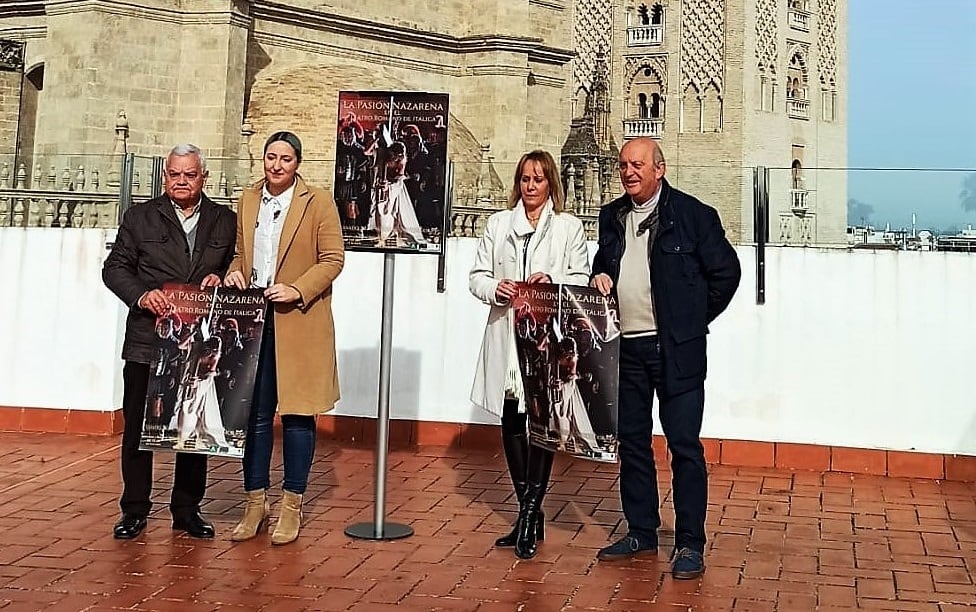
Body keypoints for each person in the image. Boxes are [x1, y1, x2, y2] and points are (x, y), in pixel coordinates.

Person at [590, 137, 740, 579]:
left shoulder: (694, 216)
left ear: (660, 168)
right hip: (627, 349)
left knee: (683, 447)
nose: (629, 172)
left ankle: (691, 543)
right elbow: (606, 258)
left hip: (676, 351)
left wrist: (688, 321)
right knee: (633, 444)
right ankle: (642, 531)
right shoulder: (611, 216)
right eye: (623, 165)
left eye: (637, 164)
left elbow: (726, 275)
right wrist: (600, 271)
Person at [102, 144, 237, 540]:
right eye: (174, 174)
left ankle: (187, 509)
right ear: (165, 176)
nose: (181, 181)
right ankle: (134, 509)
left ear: (203, 177)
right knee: (138, 431)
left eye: (189, 174)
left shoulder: (224, 221)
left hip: (199, 343)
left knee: (191, 428)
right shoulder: (140, 217)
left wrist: (224, 276)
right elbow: (115, 268)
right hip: (149, 341)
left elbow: (237, 264)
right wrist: (143, 295)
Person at [224, 131, 345, 546]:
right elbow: (241, 252)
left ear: (298, 164)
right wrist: (234, 271)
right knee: (255, 415)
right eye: (271, 157)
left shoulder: (318, 202)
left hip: (299, 319)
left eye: (286, 159)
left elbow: (333, 259)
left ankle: (292, 502)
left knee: (296, 415)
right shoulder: (248, 199)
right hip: (254, 319)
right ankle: (255, 502)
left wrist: (298, 288)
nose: (277, 166)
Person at [469, 150, 590, 560]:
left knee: (542, 423)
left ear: (550, 183)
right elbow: (477, 276)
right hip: (507, 332)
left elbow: (581, 278)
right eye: (525, 179)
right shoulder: (498, 224)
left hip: (545, 339)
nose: (531, 186)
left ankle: (528, 514)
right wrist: (495, 287)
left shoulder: (568, 229)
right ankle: (528, 511)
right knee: (511, 421)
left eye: (538, 179)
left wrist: (551, 282)